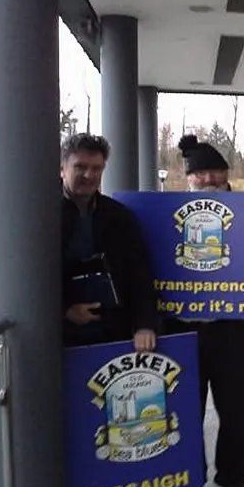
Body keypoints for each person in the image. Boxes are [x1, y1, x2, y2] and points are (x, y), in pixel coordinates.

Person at [162, 135, 244, 487]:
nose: (205, 179)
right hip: (182, 329)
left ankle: (235, 479)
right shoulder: (166, 215)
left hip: (233, 328)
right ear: (187, 178)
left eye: (212, 171)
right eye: (197, 173)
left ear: (226, 173)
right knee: (184, 409)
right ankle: (189, 477)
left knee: (239, 410)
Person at [61, 133, 157, 352]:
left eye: (97, 169)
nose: (89, 175)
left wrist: (145, 325)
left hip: (112, 332)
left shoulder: (119, 216)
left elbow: (139, 273)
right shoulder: (40, 215)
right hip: (58, 338)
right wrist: (65, 310)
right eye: (80, 167)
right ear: (62, 168)